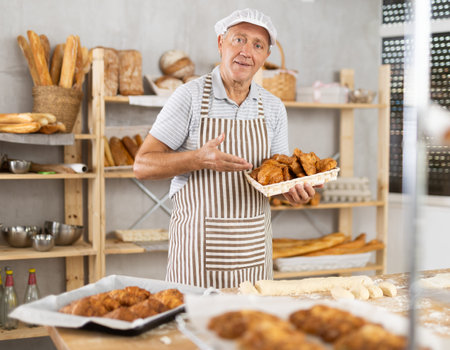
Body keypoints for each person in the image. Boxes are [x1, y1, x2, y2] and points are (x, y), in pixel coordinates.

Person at [134, 8, 317, 289]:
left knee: (249, 331)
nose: (247, 51)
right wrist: (198, 158)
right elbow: (142, 165)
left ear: (265, 57)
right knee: (193, 330)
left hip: (253, 254)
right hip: (197, 257)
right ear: (221, 43)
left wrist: (293, 194)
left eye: (258, 45)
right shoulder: (189, 96)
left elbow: (278, 180)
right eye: (239, 39)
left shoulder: (273, 107)